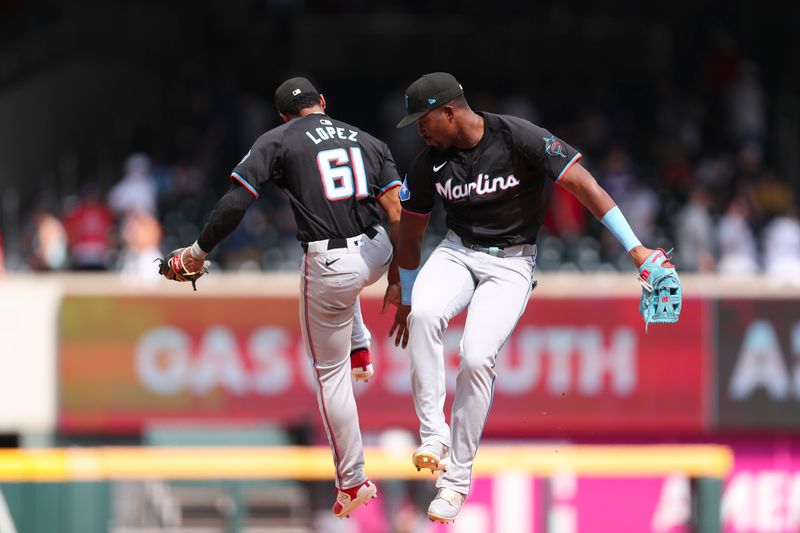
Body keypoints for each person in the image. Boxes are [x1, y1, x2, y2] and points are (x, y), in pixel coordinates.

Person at [390, 72, 665, 523]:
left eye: (422, 120)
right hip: (457, 252)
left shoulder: (517, 136)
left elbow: (583, 185)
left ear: (448, 111)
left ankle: (455, 483)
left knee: (477, 357)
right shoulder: (428, 162)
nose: (419, 129)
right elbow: (414, 229)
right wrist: (404, 289)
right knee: (423, 313)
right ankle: (433, 435)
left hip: (512, 263)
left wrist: (635, 247)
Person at [168, 77, 403, 518]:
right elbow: (397, 211)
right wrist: (400, 274)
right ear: (323, 103)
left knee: (328, 374)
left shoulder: (278, 139)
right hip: (378, 250)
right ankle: (358, 345)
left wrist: (198, 252)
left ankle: (352, 480)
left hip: (332, 265)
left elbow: (238, 201)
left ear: (282, 115)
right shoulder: (369, 140)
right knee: (332, 280)